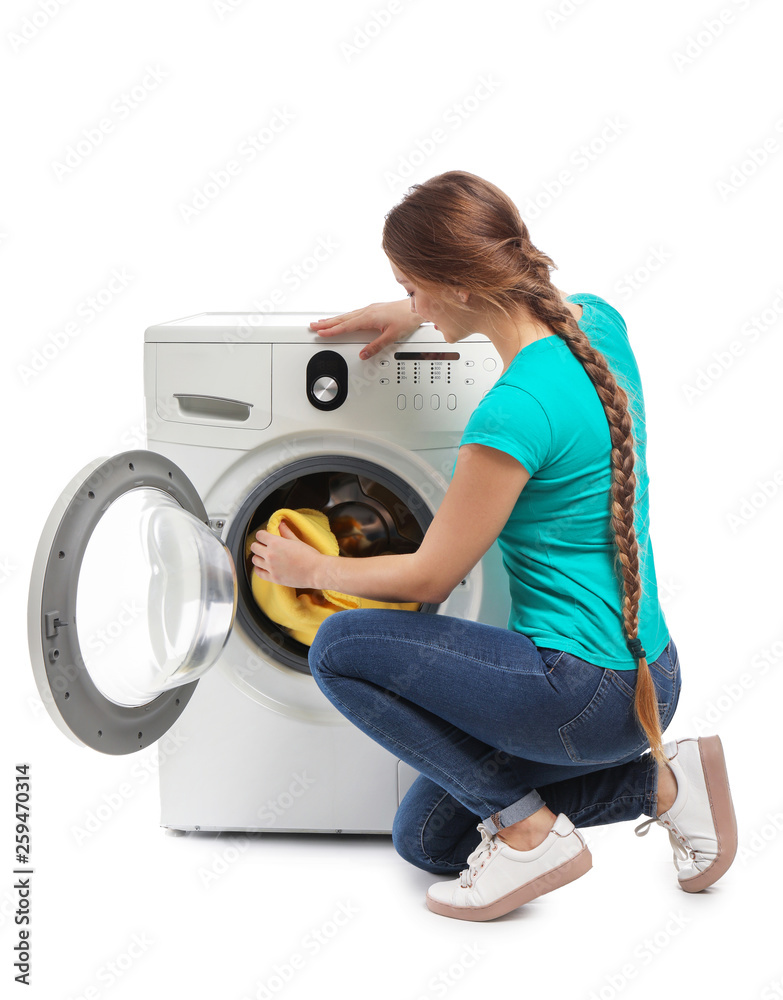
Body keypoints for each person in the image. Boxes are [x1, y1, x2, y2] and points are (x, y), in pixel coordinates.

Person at [249, 170, 737, 921]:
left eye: (413, 286)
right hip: (649, 675)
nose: (409, 302)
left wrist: (310, 566)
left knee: (339, 647)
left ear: (461, 285)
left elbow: (433, 572)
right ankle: (664, 784)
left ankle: (531, 832)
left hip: (578, 693)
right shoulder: (596, 325)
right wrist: (413, 311)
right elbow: (508, 299)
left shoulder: (509, 416)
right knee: (428, 842)